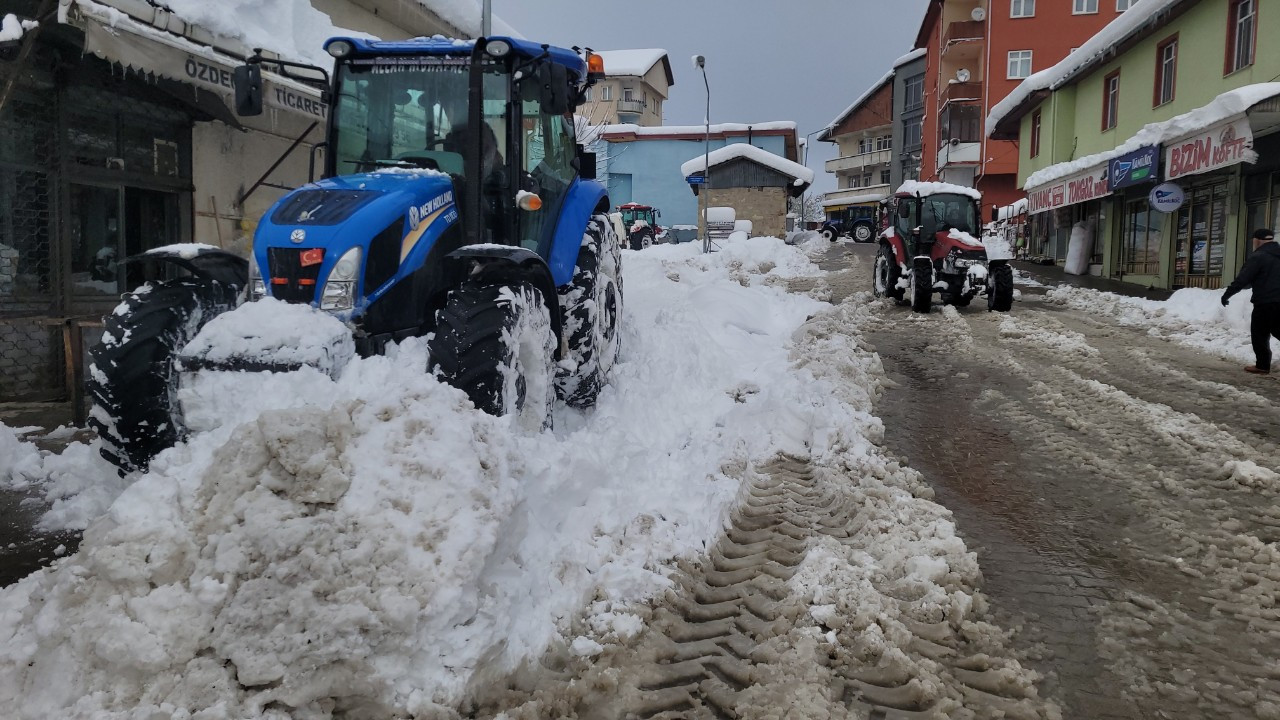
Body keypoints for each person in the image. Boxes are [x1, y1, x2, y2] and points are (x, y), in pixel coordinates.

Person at [1221, 228, 1280, 375]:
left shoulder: (1259, 256)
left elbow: (1243, 279)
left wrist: (1227, 294)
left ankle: (1262, 365)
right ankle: (1262, 364)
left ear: (1257, 240)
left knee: (1259, 334)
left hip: (1266, 302)